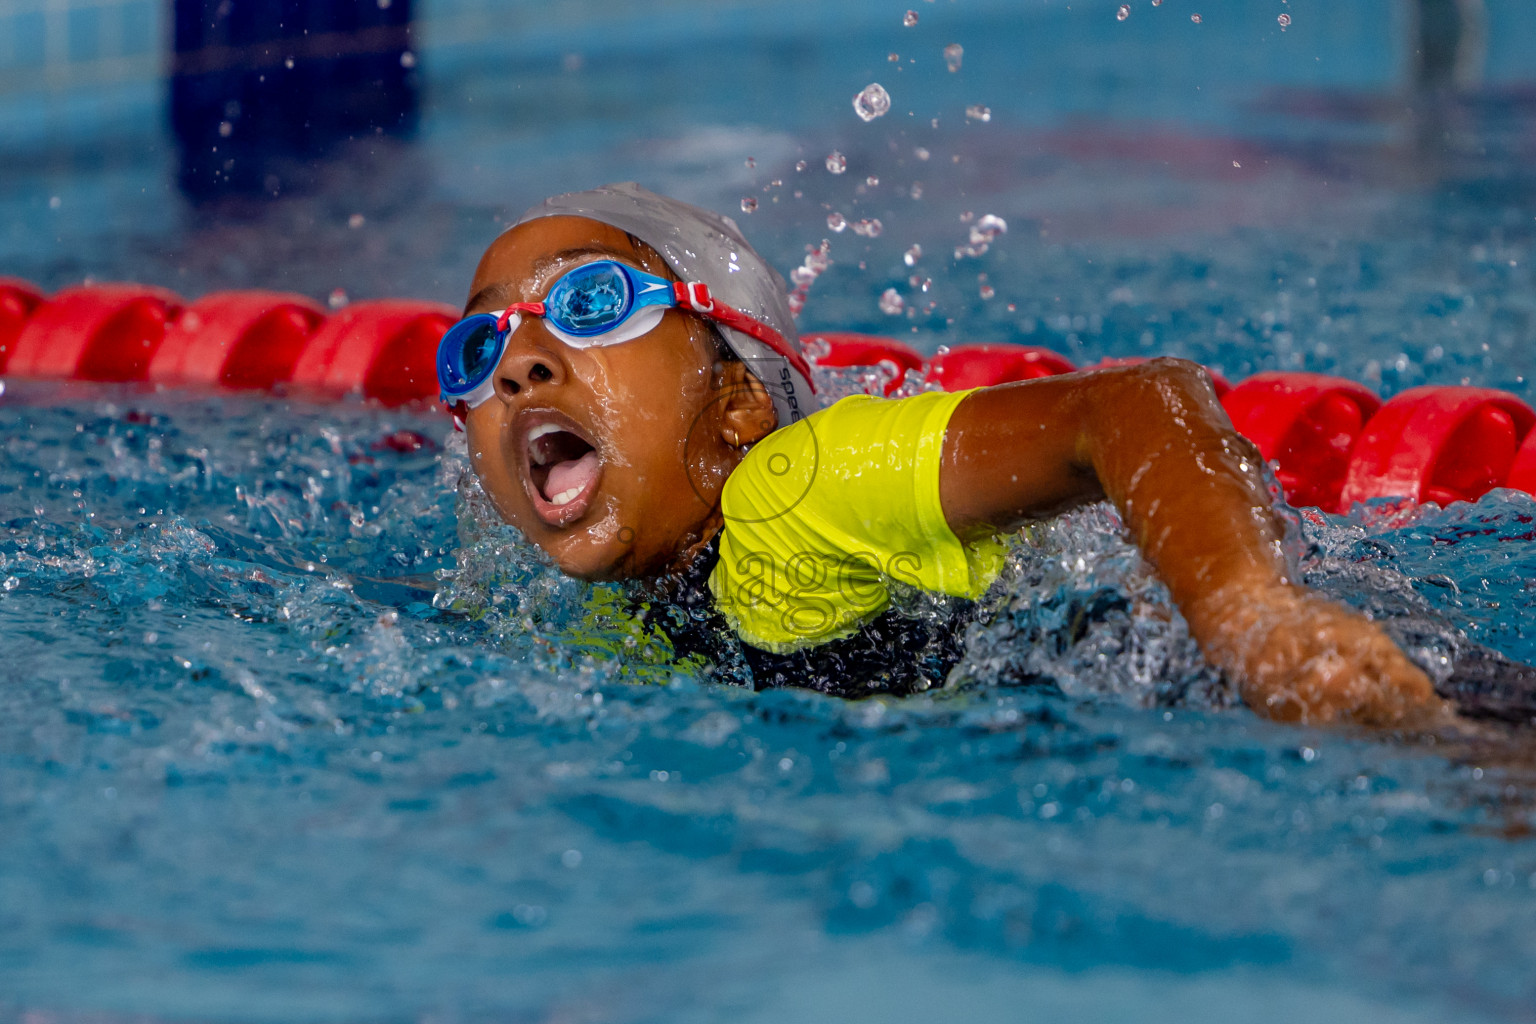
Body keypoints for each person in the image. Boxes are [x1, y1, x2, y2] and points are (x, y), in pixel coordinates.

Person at [439, 182, 1446, 727]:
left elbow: (1134, 405)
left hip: (1259, 676)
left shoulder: (801, 485)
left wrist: (1251, 617)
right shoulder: (602, 614)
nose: (520, 365)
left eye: (590, 306)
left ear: (741, 403)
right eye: (478, 348)